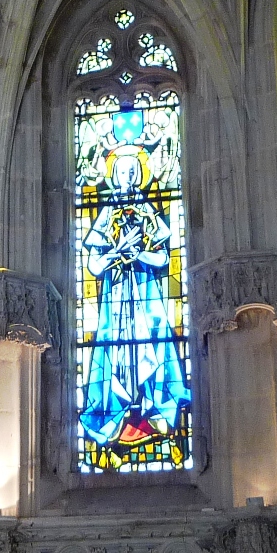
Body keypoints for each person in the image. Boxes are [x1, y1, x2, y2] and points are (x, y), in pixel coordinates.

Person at [80, 149, 189, 457]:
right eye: (122, 172)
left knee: (150, 345)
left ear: (138, 175)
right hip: (115, 295)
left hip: (145, 291)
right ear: (114, 176)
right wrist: (117, 252)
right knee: (115, 350)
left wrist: (138, 253)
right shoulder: (106, 215)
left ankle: (153, 412)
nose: (127, 177)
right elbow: (94, 266)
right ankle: (116, 420)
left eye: (132, 172)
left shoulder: (147, 212)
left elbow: (162, 258)